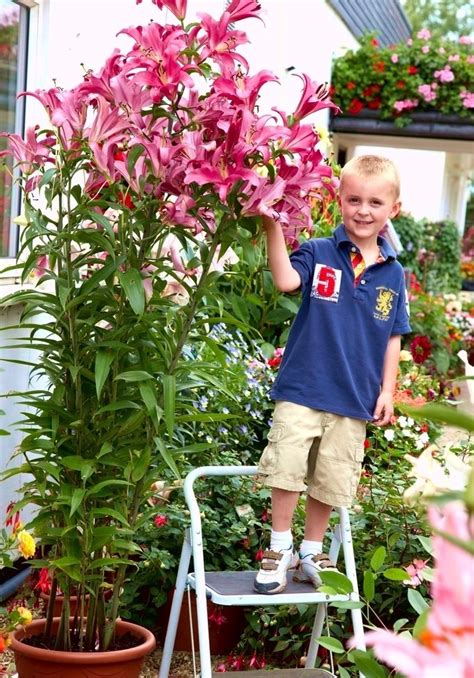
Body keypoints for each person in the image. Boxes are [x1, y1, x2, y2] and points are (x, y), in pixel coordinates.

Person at [254, 155, 411, 594]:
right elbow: (286, 281)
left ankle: (310, 550)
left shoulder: (394, 273)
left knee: (330, 476)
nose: (364, 210)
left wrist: (388, 391)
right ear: (339, 200)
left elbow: (394, 336)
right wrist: (272, 227)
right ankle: (279, 546)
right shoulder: (320, 251)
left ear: (392, 210)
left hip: (354, 398)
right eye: (355, 199)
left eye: (375, 202)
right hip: (303, 388)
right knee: (286, 467)